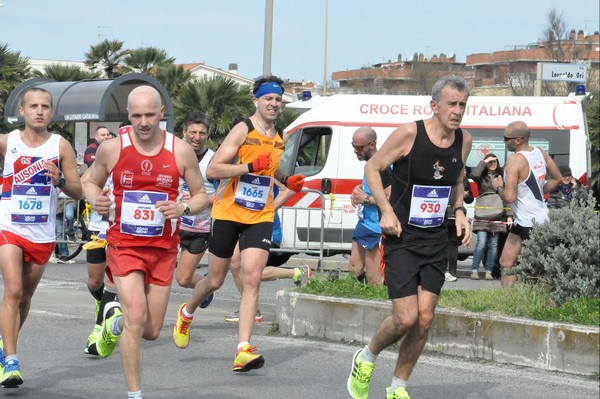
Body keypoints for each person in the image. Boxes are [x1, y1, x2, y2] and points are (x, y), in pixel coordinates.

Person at [347, 75, 473, 399]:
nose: (457, 111)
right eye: (451, 104)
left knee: (425, 318)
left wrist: (459, 210)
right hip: (401, 237)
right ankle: (366, 357)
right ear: (434, 105)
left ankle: (398, 387)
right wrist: (386, 210)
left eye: (462, 104)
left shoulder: (464, 141)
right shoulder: (409, 133)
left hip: (435, 240)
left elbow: (457, 179)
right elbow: (374, 168)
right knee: (405, 318)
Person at [172, 75, 305, 373]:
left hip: (260, 214)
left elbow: (272, 166)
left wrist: (285, 179)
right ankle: (187, 311)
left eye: (277, 99)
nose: (273, 103)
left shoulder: (279, 134)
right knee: (215, 280)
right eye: (267, 98)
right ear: (255, 100)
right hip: (229, 212)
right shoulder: (242, 129)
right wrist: (247, 167)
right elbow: (216, 168)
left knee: (252, 276)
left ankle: (242, 349)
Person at [83, 85, 208, 399]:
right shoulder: (112, 149)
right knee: (136, 317)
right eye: (136, 115)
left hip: (163, 250)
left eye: (150, 114)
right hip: (123, 245)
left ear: (162, 112)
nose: (143, 122)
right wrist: (96, 198)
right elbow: (89, 181)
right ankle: (134, 394)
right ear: (128, 115)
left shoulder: (180, 150)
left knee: (151, 331)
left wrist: (183, 207)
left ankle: (113, 324)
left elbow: (202, 195)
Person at [0, 87, 82, 387]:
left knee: (25, 297)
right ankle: (11, 360)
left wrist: (60, 180)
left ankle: (4, 342)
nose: (39, 111)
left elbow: (78, 190)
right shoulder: (6, 142)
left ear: (51, 112)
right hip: (9, 227)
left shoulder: (61, 147)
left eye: (45, 106)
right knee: (12, 289)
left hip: (42, 231)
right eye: (33, 106)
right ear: (21, 111)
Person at [225, 183, 312, 322]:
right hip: (245, 224)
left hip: (266, 228)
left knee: (249, 270)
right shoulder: (245, 168)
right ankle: (252, 309)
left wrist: (268, 207)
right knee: (235, 264)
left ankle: (296, 273)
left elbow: (287, 189)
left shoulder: (269, 170)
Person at [491, 120, 561, 288]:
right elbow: (558, 178)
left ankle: (544, 304)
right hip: (530, 220)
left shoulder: (515, 160)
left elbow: (509, 196)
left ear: (518, 140)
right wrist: (538, 191)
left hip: (529, 223)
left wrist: (498, 186)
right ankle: (508, 302)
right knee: (506, 262)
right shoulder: (540, 152)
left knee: (540, 270)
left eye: (506, 138)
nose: (504, 141)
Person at [175, 112, 217, 309]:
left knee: (183, 279)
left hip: (198, 228)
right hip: (172, 224)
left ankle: (207, 285)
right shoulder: (174, 155)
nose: (197, 137)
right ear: (184, 132)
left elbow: (225, 199)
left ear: (207, 135)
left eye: (202, 133)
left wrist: (200, 200)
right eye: (193, 132)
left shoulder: (214, 161)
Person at [348, 126, 392, 285]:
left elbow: (390, 197)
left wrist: (366, 199)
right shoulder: (369, 164)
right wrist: (358, 190)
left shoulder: (383, 165)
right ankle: (357, 300)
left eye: (359, 147)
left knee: (375, 280)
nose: (355, 151)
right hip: (364, 223)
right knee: (354, 268)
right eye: (353, 146)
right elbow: (371, 188)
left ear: (372, 145)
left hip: (378, 228)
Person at [469, 153, 513, 281]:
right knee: (481, 243)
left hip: (498, 215)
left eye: (495, 161)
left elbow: (506, 198)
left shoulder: (502, 177)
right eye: (490, 161)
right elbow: (473, 175)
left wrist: (509, 215)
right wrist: (484, 161)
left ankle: (489, 271)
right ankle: (474, 270)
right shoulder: (481, 177)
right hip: (483, 215)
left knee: (494, 245)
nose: (493, 163)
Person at [444, 173, 473, 282]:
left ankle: (452, 272)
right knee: (440, 243)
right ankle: (441, 271)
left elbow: (470, 199)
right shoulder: (444, 175)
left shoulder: (463, 178)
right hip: (441, 214)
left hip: (456, 215)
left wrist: (465, 195)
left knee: (453, 244)